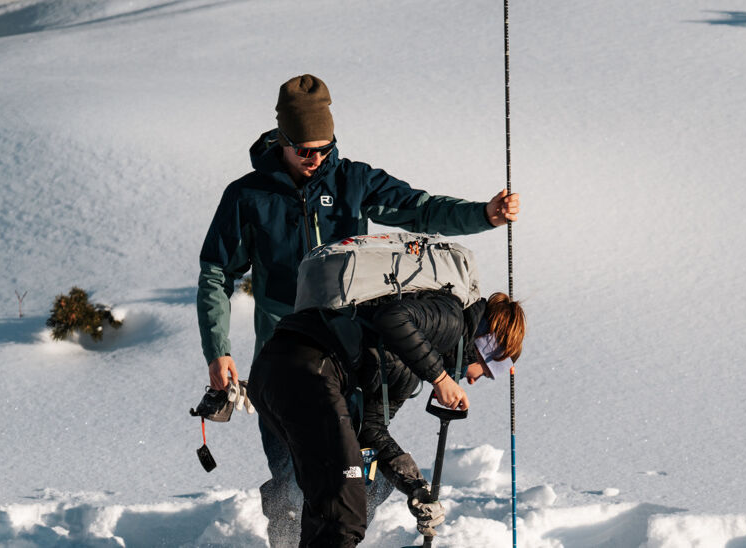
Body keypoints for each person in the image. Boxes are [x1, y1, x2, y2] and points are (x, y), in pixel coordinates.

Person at [195, 74, 520, 546]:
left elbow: (419, 209)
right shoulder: (248, 197)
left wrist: (482, 215)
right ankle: (287, 538)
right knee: (294, 476)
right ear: (281, 140)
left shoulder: (352, 181)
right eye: (305, 149)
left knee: (360, 479)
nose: (316, 159)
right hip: (289, 360)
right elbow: (215, 274)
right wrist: (217, 349)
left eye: (325, 148)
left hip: (357, 361)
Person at [246, 290, 526, 548]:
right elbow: (392, 317)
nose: (474, 380)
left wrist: (414, 485)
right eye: (487, 371)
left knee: (329, 502)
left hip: (279, 373)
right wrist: (439, 377)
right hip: (308, 368)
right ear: (486, 347)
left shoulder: (412, 366)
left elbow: (370, 428)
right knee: (345, 513)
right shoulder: (451, 319)